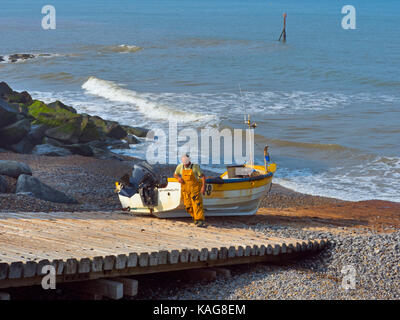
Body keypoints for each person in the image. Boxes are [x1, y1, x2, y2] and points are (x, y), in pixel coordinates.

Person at [174, 154, 206, 227]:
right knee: (188, 206)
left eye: (186, 161)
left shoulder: (195, 167)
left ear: (189, 160)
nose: (185, 162)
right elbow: (175, 174)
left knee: (197, 205)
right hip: (186, 190)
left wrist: (203, 187)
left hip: (195, 189)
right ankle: (196, 218)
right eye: (183, 161)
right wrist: (178, 178)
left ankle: (200, 220)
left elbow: (203, 177)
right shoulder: (180, 167)